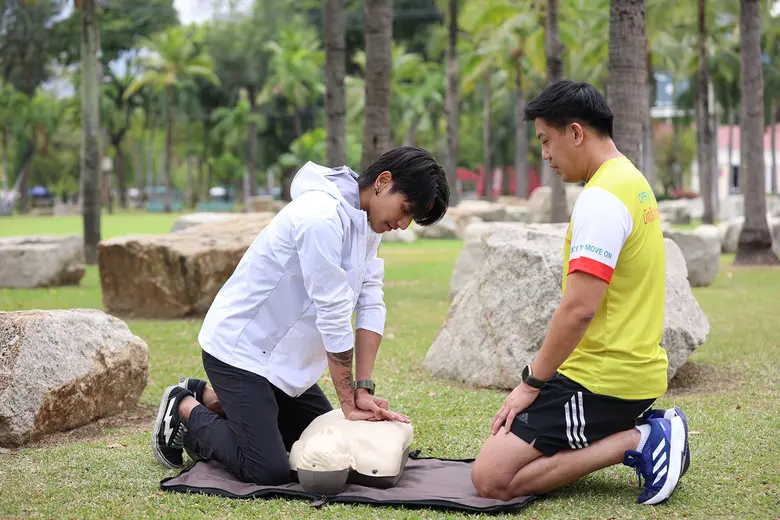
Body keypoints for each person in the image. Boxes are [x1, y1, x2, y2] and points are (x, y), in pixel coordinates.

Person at [151, 147, 450, 486]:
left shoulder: (366, 222)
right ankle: (184, 407)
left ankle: (209, 397)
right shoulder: (320, 217)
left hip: (283, 366)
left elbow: (370, 301)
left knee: (317, 446)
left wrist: (363, 388)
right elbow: (334, 313)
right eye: (406, 210)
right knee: (268, 469)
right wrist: (348, 402)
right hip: (240, 353)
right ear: (383, 182)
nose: (403, 224)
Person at [470, 80, 690, 506]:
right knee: (504, 456)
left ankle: (641, 439)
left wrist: (531, 383)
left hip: (604, 381)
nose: (545, 155)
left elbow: (579, 310)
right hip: (622, 370)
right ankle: (634, 431)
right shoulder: (631, 180)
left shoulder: (602, 199)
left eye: (545, 141)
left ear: (575, 132)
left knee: (492, 478)